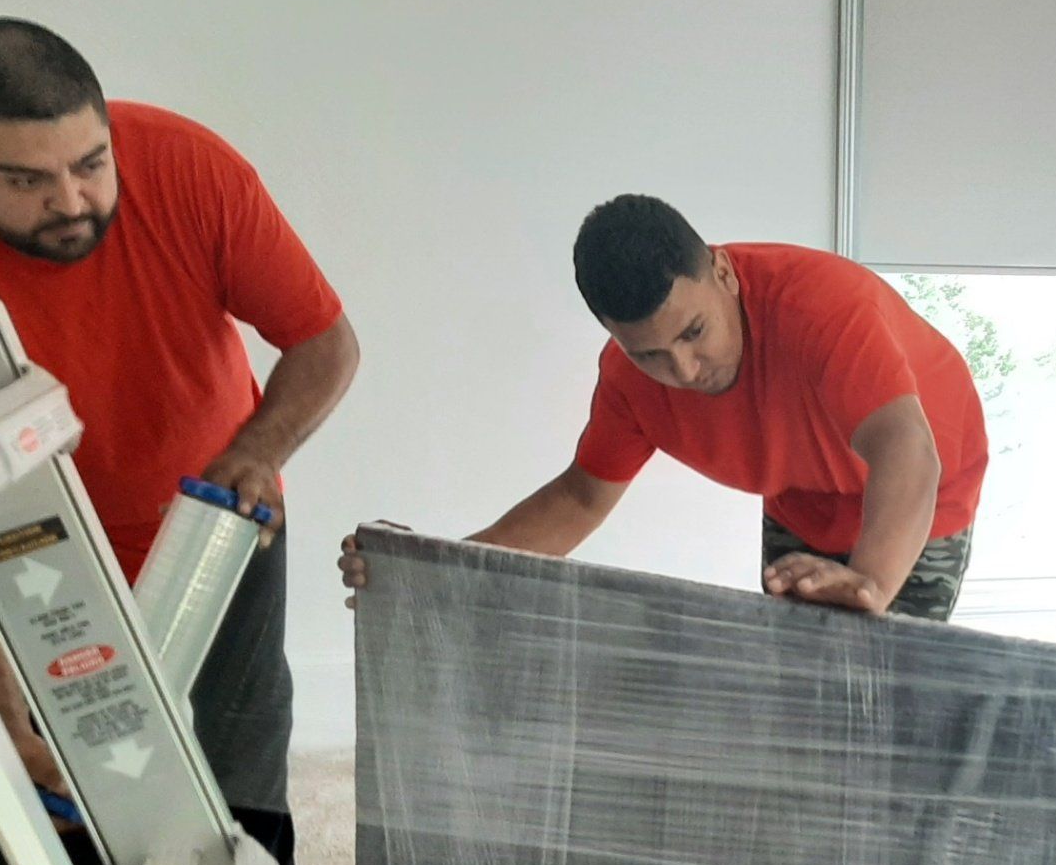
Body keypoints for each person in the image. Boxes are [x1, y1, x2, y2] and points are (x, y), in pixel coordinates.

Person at [0, 18, 357, 865]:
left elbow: (326, 344)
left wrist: (253, 456)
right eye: (27, 181)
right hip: (23, 541)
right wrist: (2, 713)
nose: (72, 200)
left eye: (89, 162)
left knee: (244, 726)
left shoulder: (192, 168)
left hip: (218, 506)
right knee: (75, 763)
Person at [342, 194, 988, 619]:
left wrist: (872, 582)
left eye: (693, 333)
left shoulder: (822, 311)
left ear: (724, 274)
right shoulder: (629, 382)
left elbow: (908, 452)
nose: (682, 371)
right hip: (802, 496)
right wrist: (436, 570)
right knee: (801, 695)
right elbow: (579, 499)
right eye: (649, 353)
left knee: (898, 696)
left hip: (923, 489)